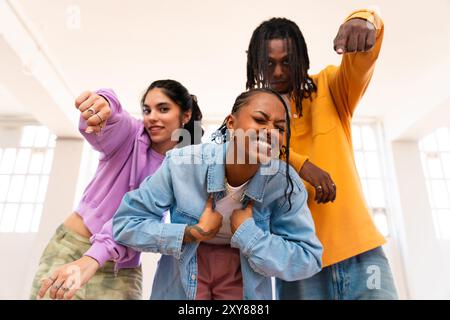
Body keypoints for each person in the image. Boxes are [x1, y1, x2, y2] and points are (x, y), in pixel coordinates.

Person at [112, 88, 323, 300]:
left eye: (280, 128)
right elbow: (126, 224)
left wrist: (250, 234)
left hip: (244, 274)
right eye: (260, 120)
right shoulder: (182, 163)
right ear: (231, 123)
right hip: (184, 275)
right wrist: (192, 233)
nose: (270, 132)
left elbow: (308, 258)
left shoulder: (285, 184)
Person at [245, 9, 398, 299]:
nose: (278, 72)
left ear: (301, 58)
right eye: (269, 63)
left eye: (287, 62)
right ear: (256, 65)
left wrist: (363, 18)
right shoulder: (251, 115)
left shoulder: (329, 87)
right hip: (296, 263)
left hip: (361, 253)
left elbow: (364, 55)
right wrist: (301, 164)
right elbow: (247, 152)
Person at [30, 80, 203, 300]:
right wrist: (103, 103)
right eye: (147, 110)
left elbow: (143, 221)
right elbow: (112, 120)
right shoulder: (131, 135)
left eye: (163, 109)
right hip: (74, 248)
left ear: (185, 115)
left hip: (122, 268)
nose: (152, 117)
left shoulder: (185, 168)